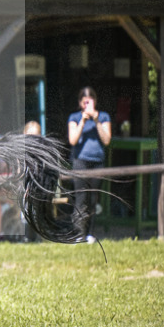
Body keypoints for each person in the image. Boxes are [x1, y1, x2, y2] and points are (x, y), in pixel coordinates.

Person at [67, 87, 112, 236]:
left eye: (90, 102)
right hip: (80, 162)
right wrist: (83, 121)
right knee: (81, 198)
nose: (87, 105)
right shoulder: (74, 117)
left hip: (97, 162)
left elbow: (106, 140)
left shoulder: (104, 117)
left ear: (95, 102)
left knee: (93, 199)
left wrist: (96, 120)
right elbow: (73, 140)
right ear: (80, 103)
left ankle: (90, 233)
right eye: (84, 102)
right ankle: (78, 233)